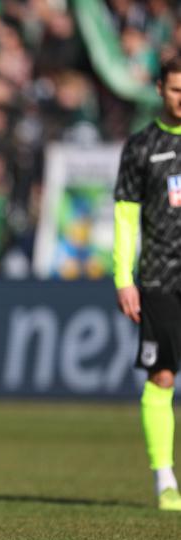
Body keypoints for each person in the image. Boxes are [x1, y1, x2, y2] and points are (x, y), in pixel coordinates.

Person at [114, 54, 181, 511]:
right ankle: (165, 479)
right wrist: (124, 277)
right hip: (159, 277)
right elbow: (125, 216)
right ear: (160, 89)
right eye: (177, 89)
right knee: (163, 375)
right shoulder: (142, 146)